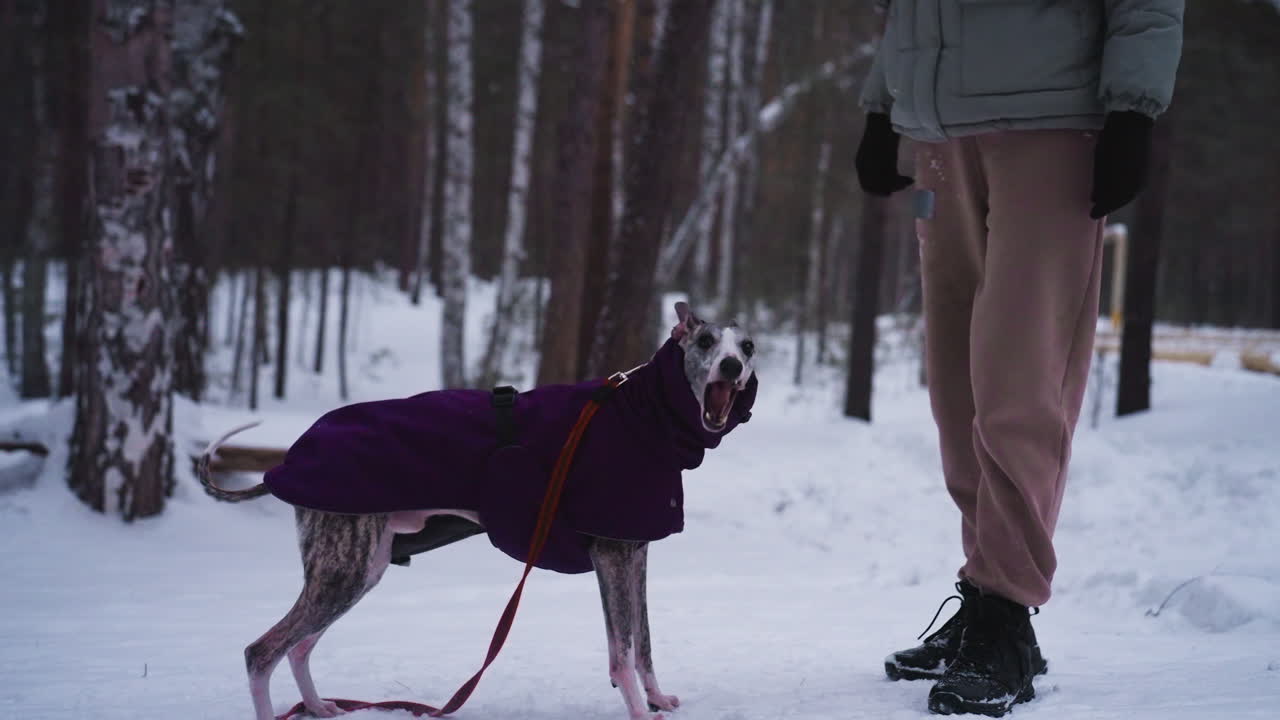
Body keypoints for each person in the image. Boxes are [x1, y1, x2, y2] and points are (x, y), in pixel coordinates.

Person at [854, 1, 1184, 716]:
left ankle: (1006, 612)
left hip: (1052, 123)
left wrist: (1133, 110)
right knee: (955, 382)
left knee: (1020, 373)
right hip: (939, 132)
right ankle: (983, 594)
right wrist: (883, 107)